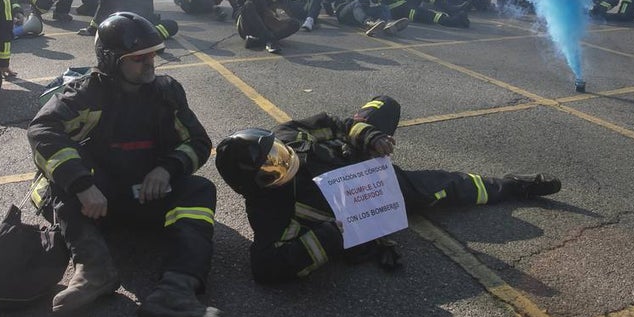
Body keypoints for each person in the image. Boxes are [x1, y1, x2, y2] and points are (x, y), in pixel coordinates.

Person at [215, 96, 562, 283]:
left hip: (353, 158)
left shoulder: (288, 134)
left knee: (386, 105)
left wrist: (370, 137)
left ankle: (371, 135)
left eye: (276, 153)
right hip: (372, 197)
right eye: (270, 170)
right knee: (448, 186)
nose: (282, 163)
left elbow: (333, 123)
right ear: (251, 187)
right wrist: (331, 236)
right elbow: (265, 269)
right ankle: (515, 186)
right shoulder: (267, 210)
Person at [27, 12, 225, 317]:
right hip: (99, 200)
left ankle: (176, 291)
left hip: (147, 194)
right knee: (54, 187)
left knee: (200, 190)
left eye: (152, 55)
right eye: (138, 58)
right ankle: (93, 270)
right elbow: (42, 130)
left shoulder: (167, 92)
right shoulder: (86, 94)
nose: (150, 63)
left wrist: (167, 168)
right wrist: (82, 184)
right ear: (111, 61)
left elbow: (199, 141)